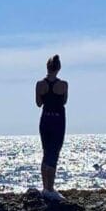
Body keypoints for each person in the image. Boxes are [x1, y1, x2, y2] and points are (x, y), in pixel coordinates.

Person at [35, 54, 68, 201]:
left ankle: (45, 187)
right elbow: (64, 101)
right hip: (58, 120)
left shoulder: (40, 84)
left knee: (46, 152)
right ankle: (51, 188)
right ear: (59, 68)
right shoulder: (64, 85)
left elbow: (38, 103)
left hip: (45, 119)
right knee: (54, 153)